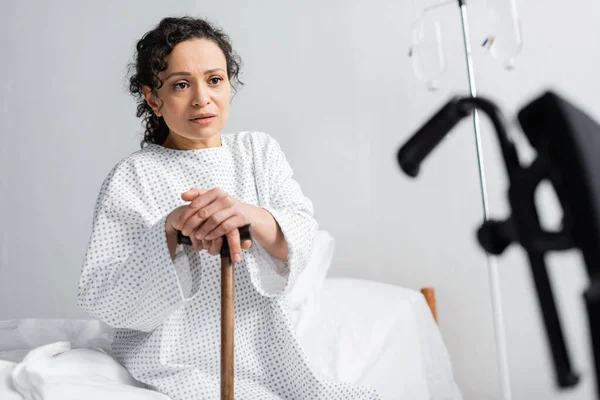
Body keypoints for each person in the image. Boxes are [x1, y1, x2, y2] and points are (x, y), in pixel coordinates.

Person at [77, 16, 380, 399]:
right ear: (153, 97)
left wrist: (250, 215)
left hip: (268, 355)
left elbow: (302, 232)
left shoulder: (258, 152)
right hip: (169, 358)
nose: (202, 98)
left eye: (215, 80)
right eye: (181, 84)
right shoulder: (134, 176)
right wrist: (170, 233)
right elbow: (101, 294)